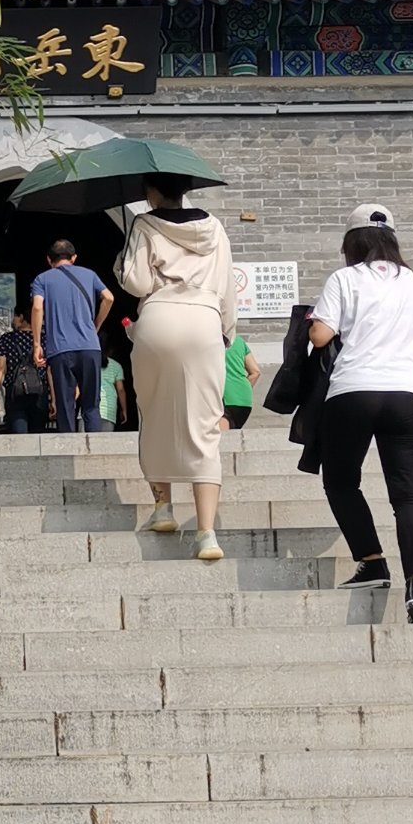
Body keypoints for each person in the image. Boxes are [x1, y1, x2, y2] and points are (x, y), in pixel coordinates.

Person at [308, 206, 413, 623]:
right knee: (412, 496)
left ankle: (372, 560)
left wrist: (314, 320)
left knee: (342, 481)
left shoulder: (344, 279)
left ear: (352, 243)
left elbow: (320, 334)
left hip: (353, 392)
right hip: (408, 395)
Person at [115, 172, 236, 560]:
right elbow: (228, 286)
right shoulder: (214, 228)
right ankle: (206, 533)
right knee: (204, 424)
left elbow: (135, 282)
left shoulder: (144, 223)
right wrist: (226, 335)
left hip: (159, 317)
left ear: (151, 192)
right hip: (204, 319)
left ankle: (163, 508)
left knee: (154, 415)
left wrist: (122, 261)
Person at [30, 241, 113, 436]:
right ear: (74, 258)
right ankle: (96, 444)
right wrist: (96, 325)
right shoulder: (89, 274)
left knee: (65, 402)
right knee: (91, 403)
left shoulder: (42, 279)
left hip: (60, 349)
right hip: (90, 347)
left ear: (49, 260)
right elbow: (109, 298)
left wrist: (36, 344)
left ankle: (68, 447)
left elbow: (37, 307)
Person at [0, 304, 49, 434]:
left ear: (21, 317)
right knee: (39, 434)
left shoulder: (7, 339)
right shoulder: (44, 339)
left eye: (15, 316)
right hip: (39, 390)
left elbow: (0, 367)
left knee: (19, 434)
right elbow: (49, 370)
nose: (13, 320)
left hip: (15, 391)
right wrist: (53, 397)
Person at [222, 328, 259, 431]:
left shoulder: (210, 341)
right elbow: (255, 372)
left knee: (221, 442)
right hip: (244, 401)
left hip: (224, 400)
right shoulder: (238, 341)